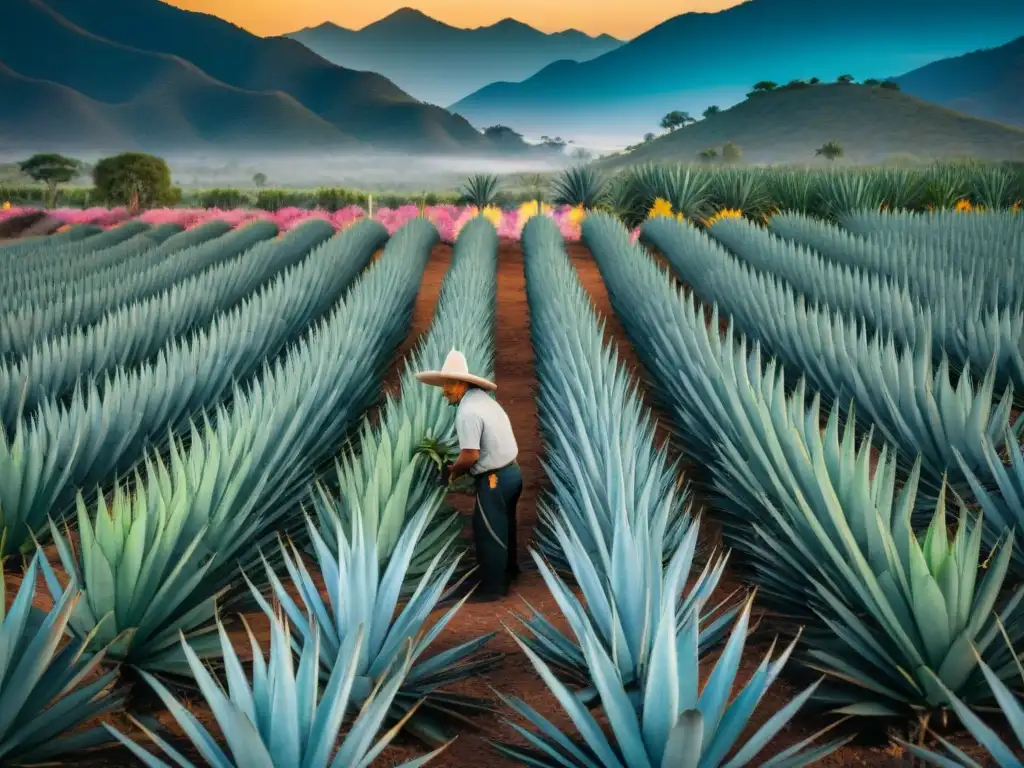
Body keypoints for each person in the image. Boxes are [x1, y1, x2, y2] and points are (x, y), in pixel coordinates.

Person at [416, 349, 522, 602]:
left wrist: (453, 471)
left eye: (448, 386)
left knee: (488, 530)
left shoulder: (467, 413)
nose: (444, 392)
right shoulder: (484, 401)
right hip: (512, 473)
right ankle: (509, 571)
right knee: (505, 525)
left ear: (461, 384)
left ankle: (493, 589)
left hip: (494, 479)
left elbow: (471, 455)